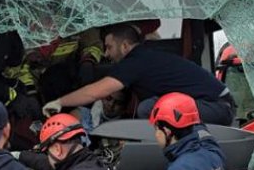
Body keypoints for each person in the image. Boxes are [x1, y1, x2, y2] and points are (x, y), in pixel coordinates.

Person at [42, 24, 235, 126]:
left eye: (109, 47)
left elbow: (95, 92)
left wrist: (59, 102)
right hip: (216, 104)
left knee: (148, 108)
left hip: (217, 107)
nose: (106, 54)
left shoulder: (135, 61)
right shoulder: (146, 58)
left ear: (125, 45)